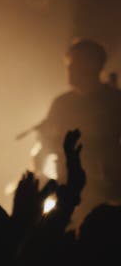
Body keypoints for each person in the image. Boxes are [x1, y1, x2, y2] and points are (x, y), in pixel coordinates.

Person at [34, 38, 121, 222]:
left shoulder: (114, 102)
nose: (69, 70)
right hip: (69, 192)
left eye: (74, 64)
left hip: (109, 193)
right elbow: (44, 146)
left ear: (93, 65)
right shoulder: (62, 103)